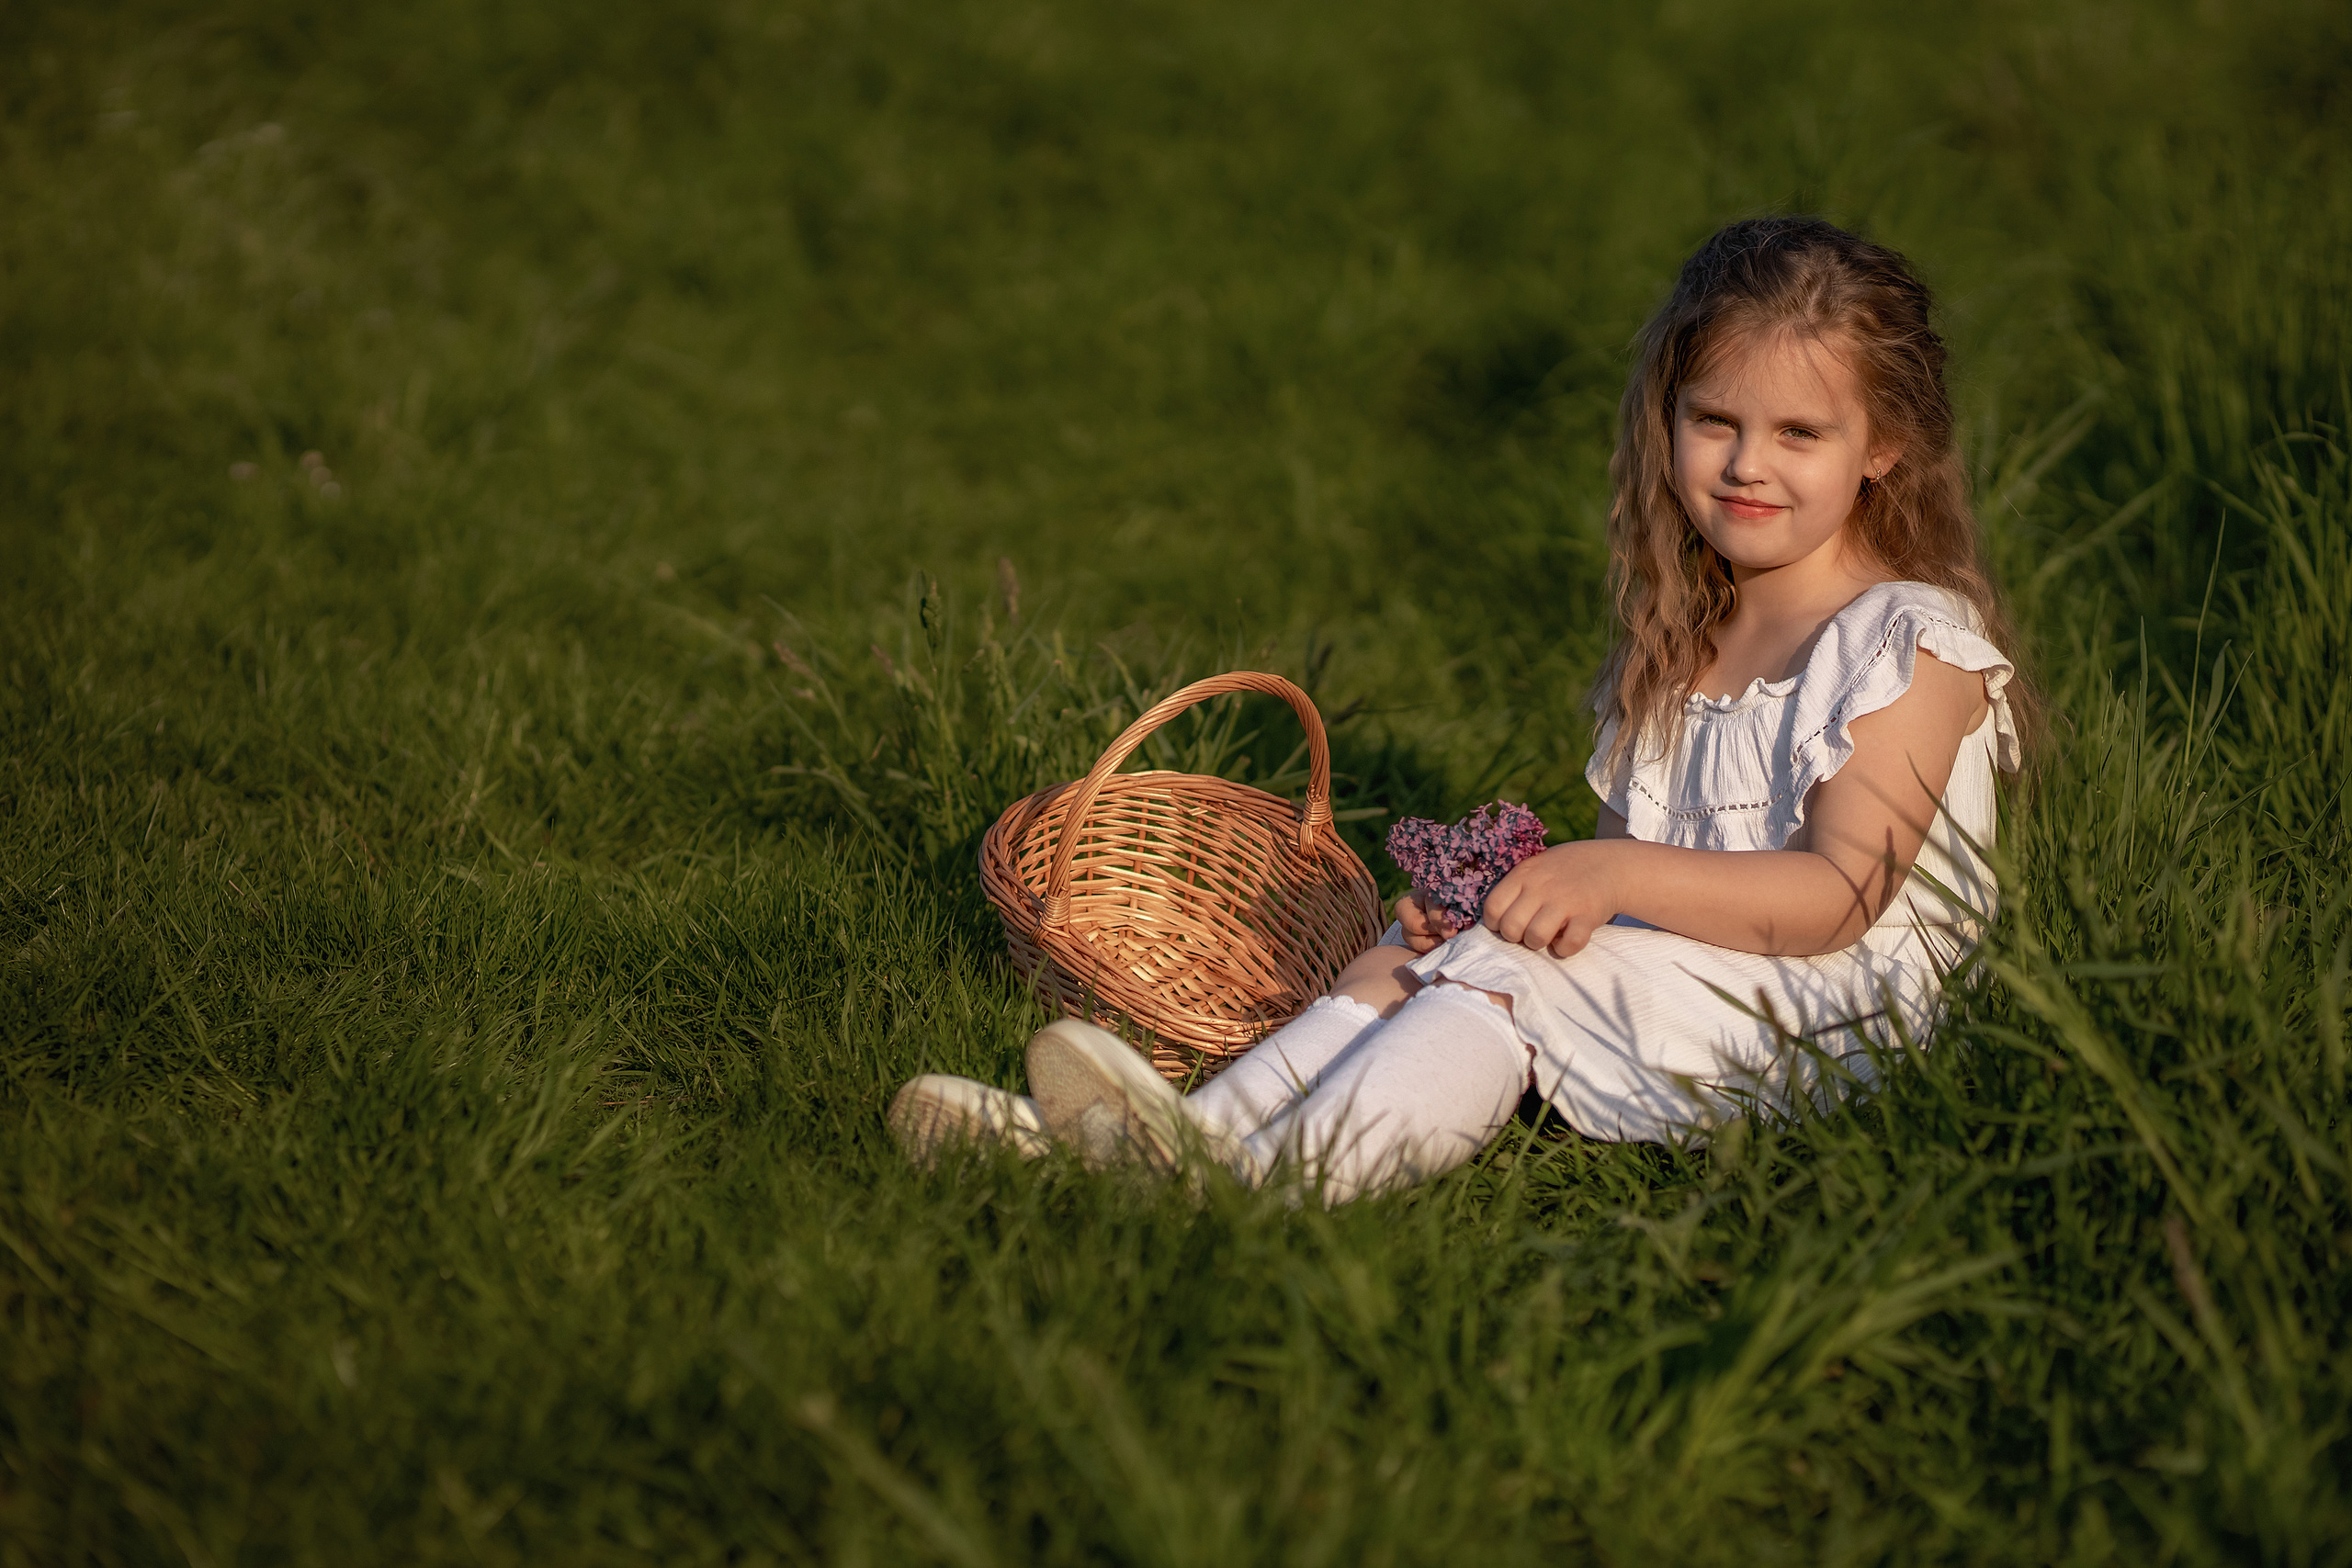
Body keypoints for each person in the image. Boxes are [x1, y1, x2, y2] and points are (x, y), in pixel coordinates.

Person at [891, 217, 2029, 1201]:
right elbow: (1657, 878)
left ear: (1882, 446)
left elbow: (1837, 900)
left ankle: (1249, 1191)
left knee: (1504, 976)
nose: (1745, 465)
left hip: (1839, 1018)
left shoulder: (1902, 640)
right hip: (1724, 975)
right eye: (1714, 420)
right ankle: (1184, 1140)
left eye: (1799, 435)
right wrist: (1531, 898)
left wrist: (1603, 882)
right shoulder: (1692, 632)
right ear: (1666, 416)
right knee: (1426, 947)